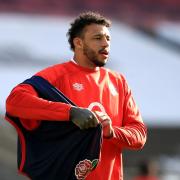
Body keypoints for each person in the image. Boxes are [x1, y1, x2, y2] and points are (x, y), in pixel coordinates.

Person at [5, 11, 147, 180]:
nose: (105, 44)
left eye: (108, 39)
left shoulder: (118, 81)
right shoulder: (55, 76)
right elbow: (15, 101)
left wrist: (111, 132)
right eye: (97, 38)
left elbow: (139, 135)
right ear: (78, 42)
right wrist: (70, 112)